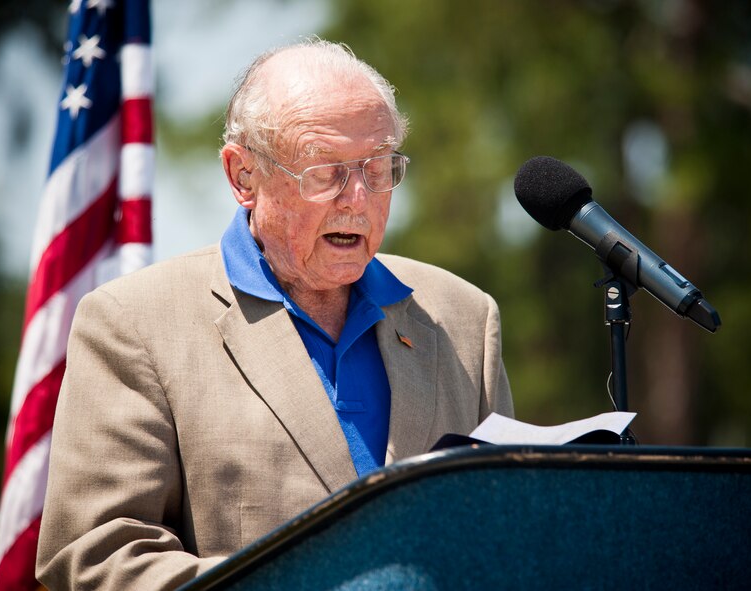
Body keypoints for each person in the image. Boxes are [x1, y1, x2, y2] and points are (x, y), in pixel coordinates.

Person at [37, 38, 513, 590]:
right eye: (326, 172)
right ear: (243, 176)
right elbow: (95, 554)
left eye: (378, 167)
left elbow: (508, 531)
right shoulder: (133, 324)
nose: (358, 198)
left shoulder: (464, 318)